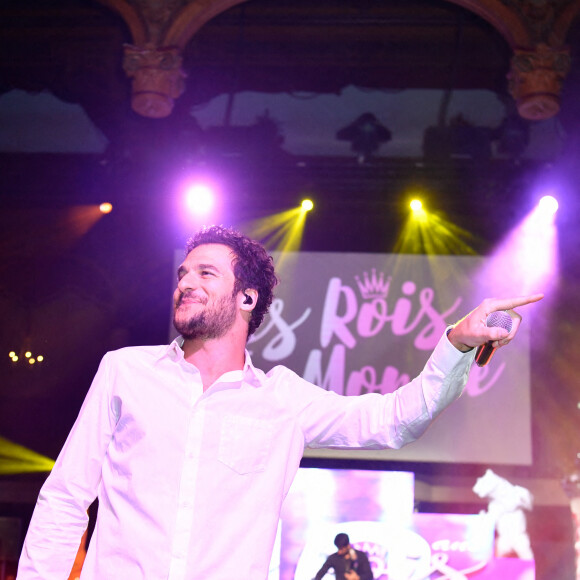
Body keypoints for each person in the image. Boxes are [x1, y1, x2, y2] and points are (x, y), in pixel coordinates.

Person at [16, 225, 543, 580]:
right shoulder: (124, 371)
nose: (185, 283)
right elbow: (64, 499)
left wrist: (457, 342)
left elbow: (394, 421)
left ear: (246, 298)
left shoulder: (282, 400)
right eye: (182, 273)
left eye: (205, 273)